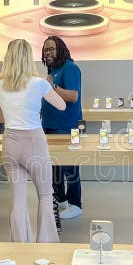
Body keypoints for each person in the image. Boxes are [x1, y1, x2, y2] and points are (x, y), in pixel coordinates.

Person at [0, 39, 66, 242]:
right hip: (34, 142)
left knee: (18, 200)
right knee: (44, 195)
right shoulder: (39, 82)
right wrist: (50, 88)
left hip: (10, 142)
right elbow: (61, 106)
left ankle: (19, 245)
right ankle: (46, 244)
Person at [40, 36, 83, 219]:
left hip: (66, 126)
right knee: (54, 168)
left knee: (69, 167)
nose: (47, 53)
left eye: (51, 49)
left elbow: (73, 96)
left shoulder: (70, 68)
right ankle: (61, 200)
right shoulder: (52, 69)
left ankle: (75, 204)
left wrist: (52, 87)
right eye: (45, 50)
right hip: (49, 126)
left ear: (61, 50)